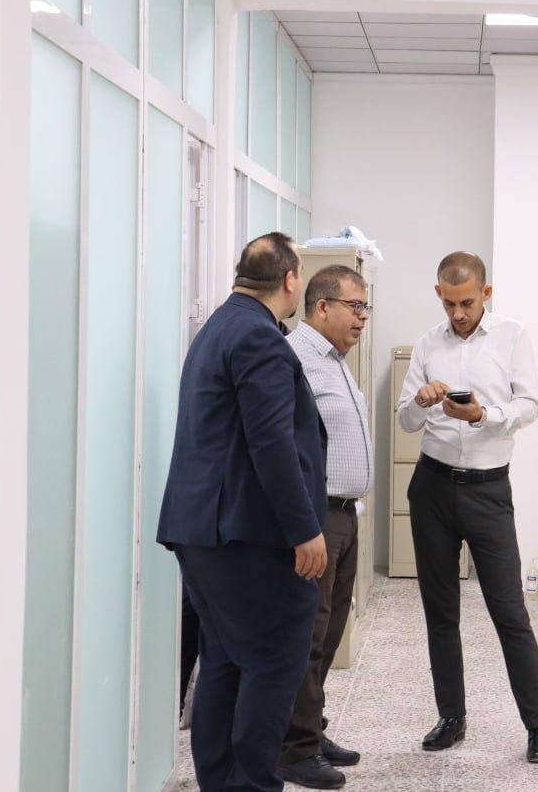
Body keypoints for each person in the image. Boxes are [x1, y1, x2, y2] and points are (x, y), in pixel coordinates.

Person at [157, 232, 329, 792]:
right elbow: (271, 442)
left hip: (203, 530)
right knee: (274, 662)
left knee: (226, 661)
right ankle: (251, 783)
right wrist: (304, 529)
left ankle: (222, 782)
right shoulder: (259, 337)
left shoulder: (217, 328)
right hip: (246, 537)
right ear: (290, 280)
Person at [396, 251, 538, 765]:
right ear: (438, 294)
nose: (458, 313)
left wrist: (484, 414)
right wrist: (421, 401)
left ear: (486, 293)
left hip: (488, 492)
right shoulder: (428, 343)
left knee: (509, 612)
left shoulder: (511, 336)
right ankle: (451, 717)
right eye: (449, 303)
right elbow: (404, 421)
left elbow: (531, 404)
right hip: (432, 487)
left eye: (466, 302)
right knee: (440, 611)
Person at [279, 266, 375, 789]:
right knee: (308, 635)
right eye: (354, 306)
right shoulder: (295, 359)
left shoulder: (336, 362)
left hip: (345, 515)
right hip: (317, 518)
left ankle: (312, 730)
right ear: (321, 307)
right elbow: (283, 449)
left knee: (331, 630)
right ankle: (294, 750)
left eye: (365, 308)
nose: (362, 317)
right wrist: (302, 525)